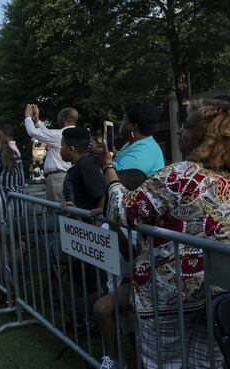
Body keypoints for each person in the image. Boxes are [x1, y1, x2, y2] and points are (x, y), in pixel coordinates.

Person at [100, 99, 230, 368]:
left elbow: (122, 211)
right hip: (218, 296)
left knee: (164, 364)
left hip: (168, 297)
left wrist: (108, 170)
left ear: (199, 136)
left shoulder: (179, 175)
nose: (180, 132)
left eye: (184, 126)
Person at [93, 169, 147, 369]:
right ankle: (122, 359)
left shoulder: (135, 222)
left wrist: (115, 228)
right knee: (127, 326)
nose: (109, 191)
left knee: (105, 309)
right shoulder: (112, 213)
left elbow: (130, 255)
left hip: (130, 281)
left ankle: (115, 360)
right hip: (113, 280)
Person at [24, 104, 78, 202]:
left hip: (58, 179)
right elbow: (48, 135)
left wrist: (27, 116)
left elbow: (32, 132)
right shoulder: (74, 133)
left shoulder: (60, 134)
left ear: (67, 120)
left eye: (59, 116)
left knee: (57, 212)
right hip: (66, 176)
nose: (58, 118)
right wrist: (37, 121)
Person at [109, 103, 165, 177]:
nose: (120, 123)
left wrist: (105, 160)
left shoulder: (146, 149)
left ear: (133, 125)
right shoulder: (131, 143)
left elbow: (118, 177)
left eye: (124, 119)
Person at [59, 127, 106, 212]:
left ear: (71, 149)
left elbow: (102, 194)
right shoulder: (82, 165)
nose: (60, 149)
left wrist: (98, 216)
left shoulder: (86, 165)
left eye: (62, 145)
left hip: (87, 224)